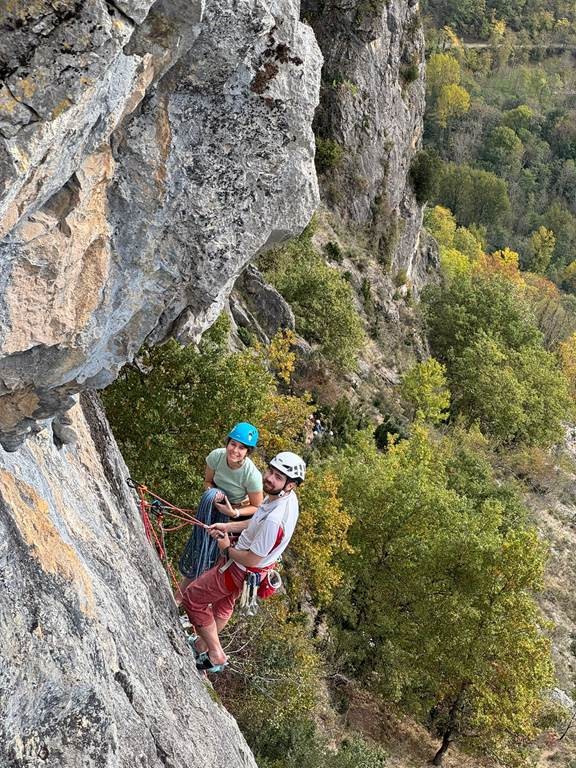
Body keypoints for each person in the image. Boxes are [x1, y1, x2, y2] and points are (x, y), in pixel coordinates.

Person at [180, 451, 306, 673]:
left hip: (240, 567)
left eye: (278, 477)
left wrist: (227, 548)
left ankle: (216, 653)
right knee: (224, 604)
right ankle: (201, 645)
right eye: (270, 472)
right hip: (250, 570)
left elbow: (252, 558)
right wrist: (228, 527)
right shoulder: (283, 498)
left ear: (291, 485)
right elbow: (255, 522)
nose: (269, 478)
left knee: (193, 598)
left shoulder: (276, 520)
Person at [176, 423, 263, 600]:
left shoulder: (251, 475)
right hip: (213, 508)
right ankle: (180, 598)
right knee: (201, 550)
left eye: (241, 447)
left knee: (215, 559)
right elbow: (208, 482)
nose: (235, 450)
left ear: (248, 452)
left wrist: (233, 512)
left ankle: (196, 601)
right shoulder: (216, 457)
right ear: (227, 443)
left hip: (236, 514)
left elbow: (257, 507)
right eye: (233, 444)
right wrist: (214, 495)